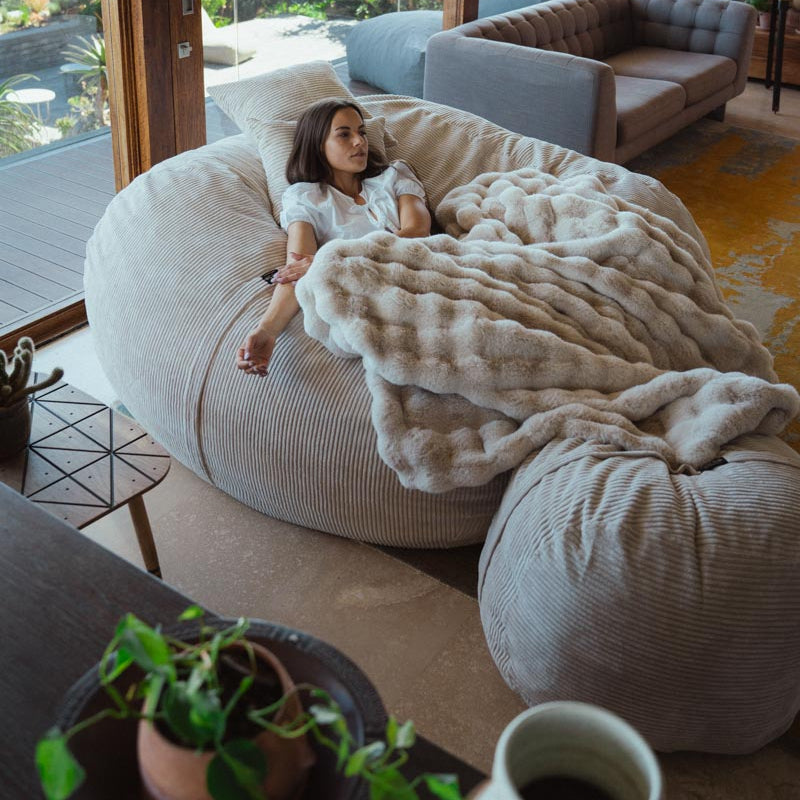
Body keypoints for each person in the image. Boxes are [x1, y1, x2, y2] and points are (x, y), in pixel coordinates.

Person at [237, 98, 432, 376]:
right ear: (318, 145)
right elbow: (297, 268)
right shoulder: (305, 198)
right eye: (344, 134)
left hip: (424, 273)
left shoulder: (394, 175)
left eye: (362, 132)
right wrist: (266, 331)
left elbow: (417, 233)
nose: (359, 142)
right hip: (376, 294)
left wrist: (330, 260)